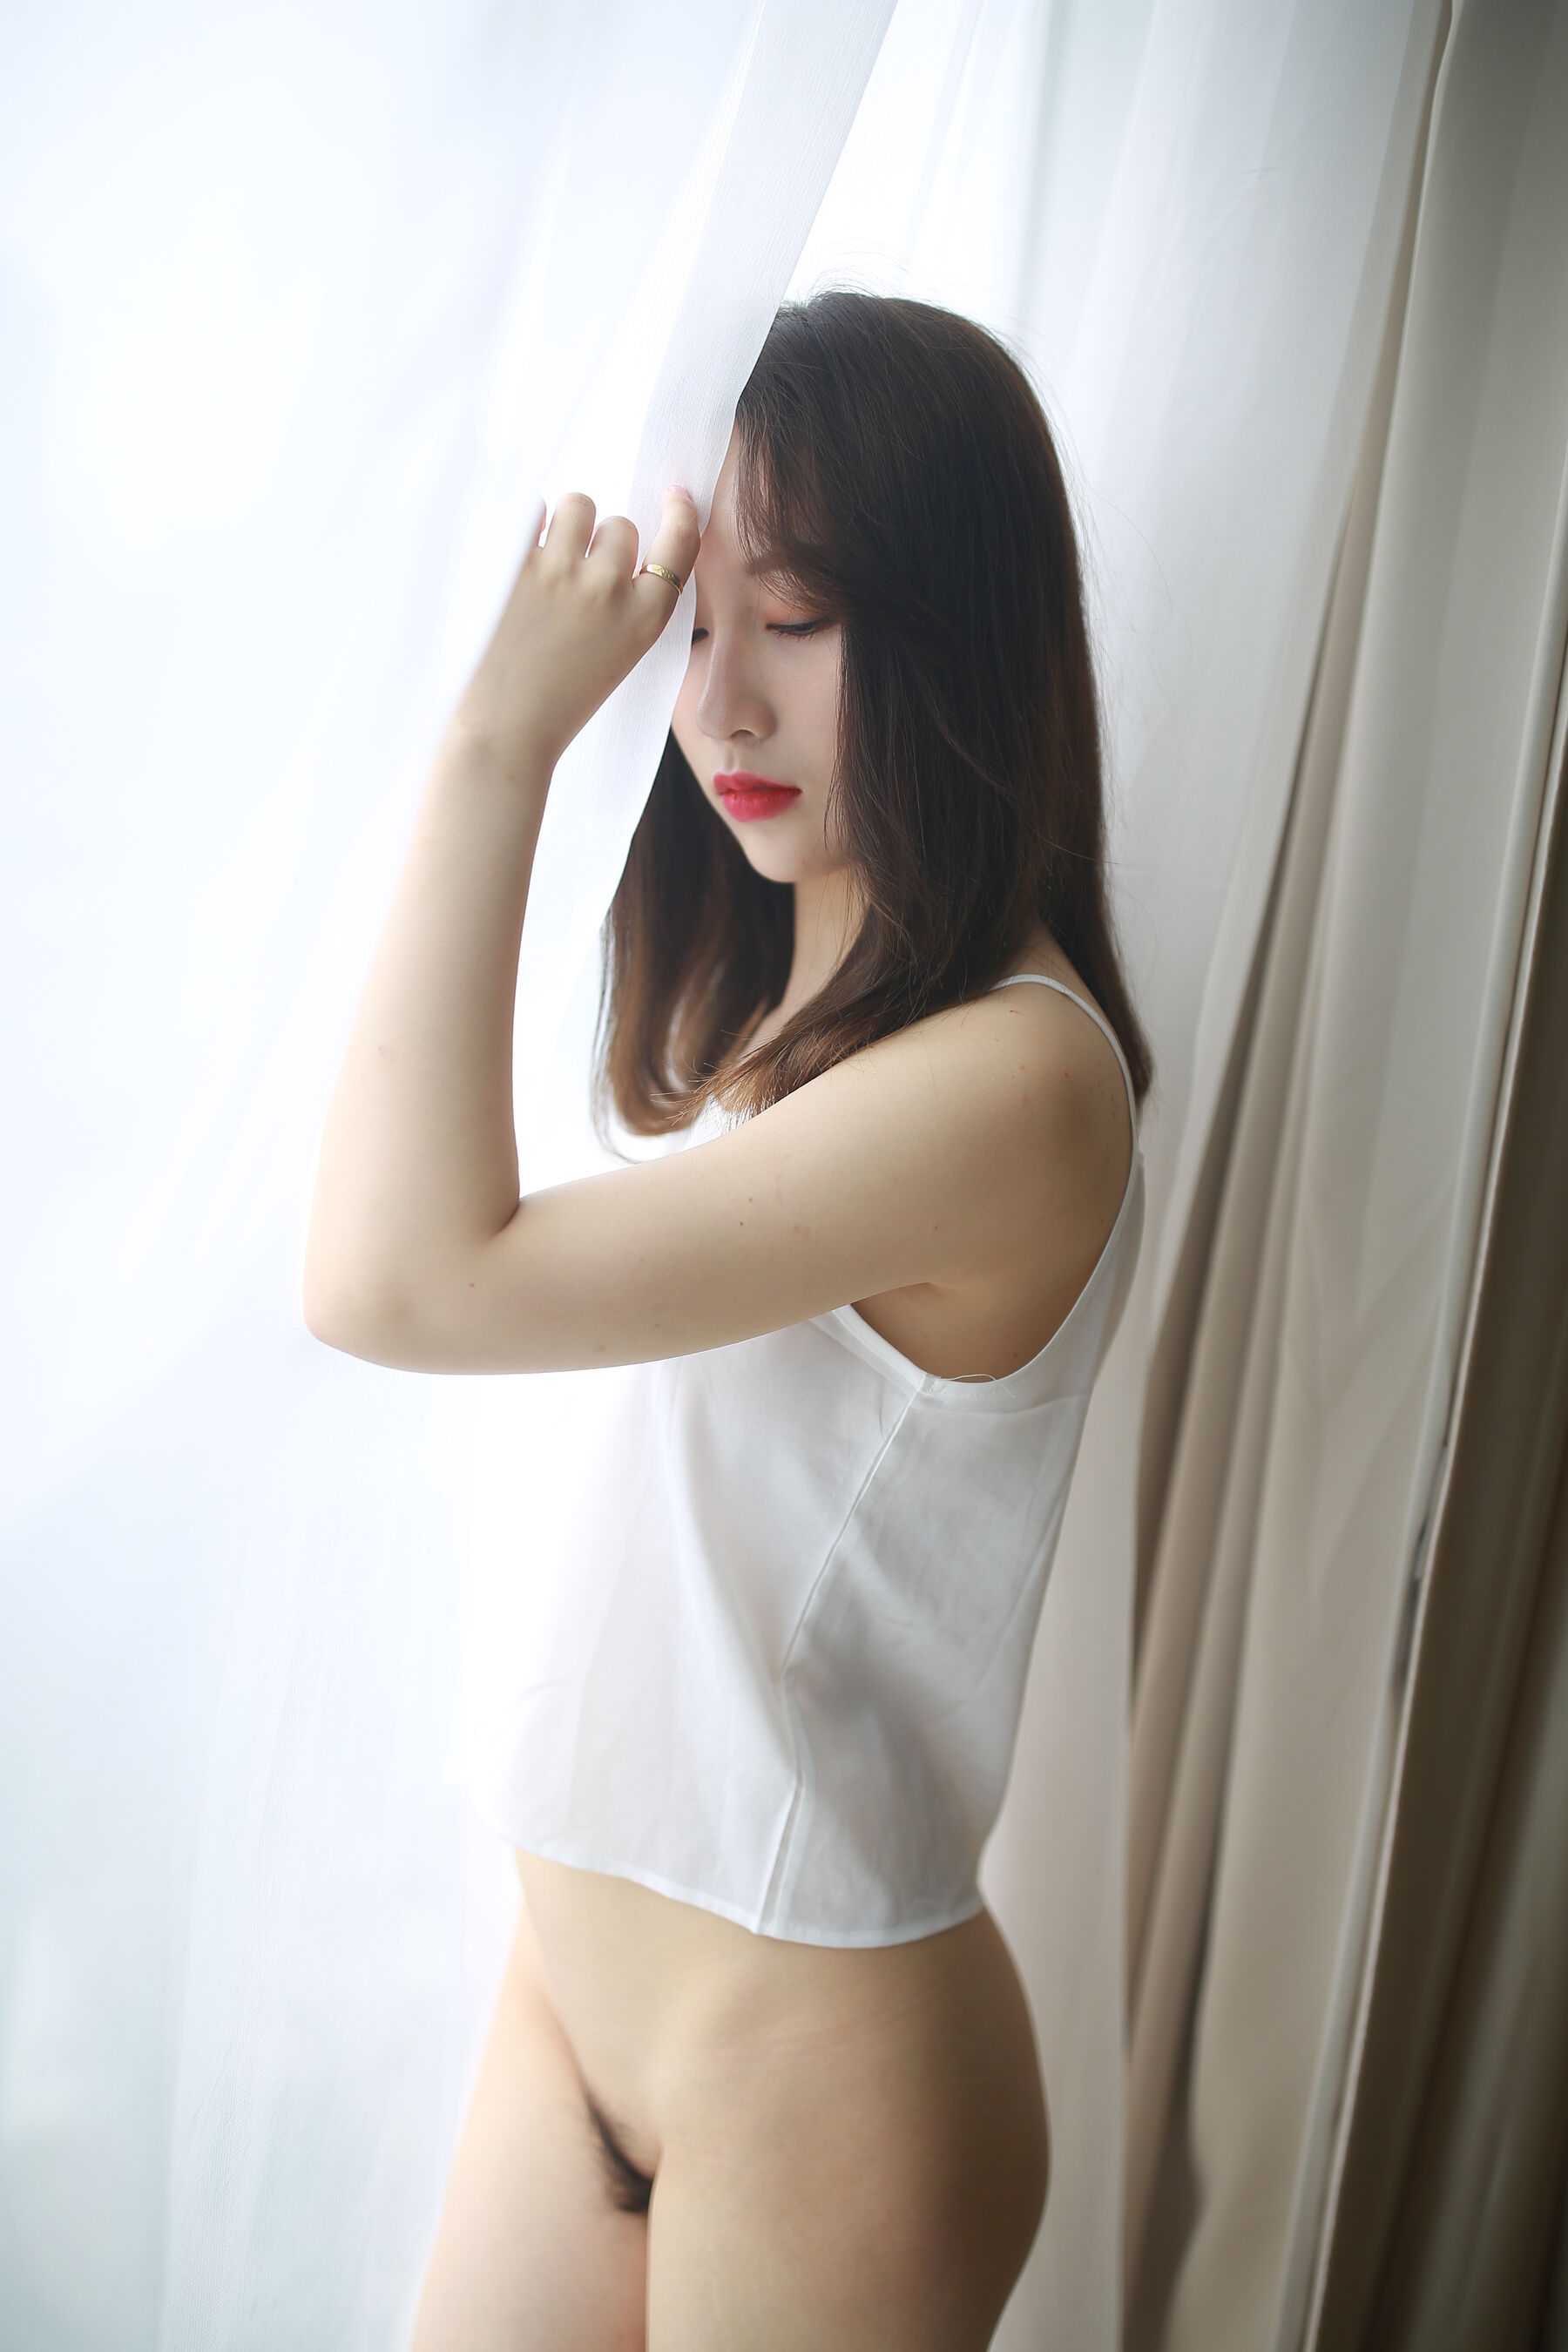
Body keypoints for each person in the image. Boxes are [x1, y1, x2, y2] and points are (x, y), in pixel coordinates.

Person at [318, 289, 1152, 2350]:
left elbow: (393, 1279)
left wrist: (499, 739)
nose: (720, 706)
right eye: (695, 627)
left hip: (819, 2078)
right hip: (580, 1999)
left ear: (960, 629)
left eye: (795, 620)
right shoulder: (783, 1016)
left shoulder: (1016, 1084)